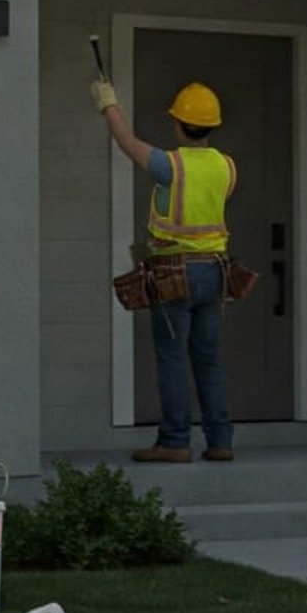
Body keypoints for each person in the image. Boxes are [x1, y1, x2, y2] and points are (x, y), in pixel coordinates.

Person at [91, 74, 236, 464]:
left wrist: (108, 103)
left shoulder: (170, 166)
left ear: (177, 124)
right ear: (214, 126)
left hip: (175, 273)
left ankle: (174, 441)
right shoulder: (226, 167)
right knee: (207, 357)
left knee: (172, 356)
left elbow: (128, 143)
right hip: (215, 272)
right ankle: (220, 440)